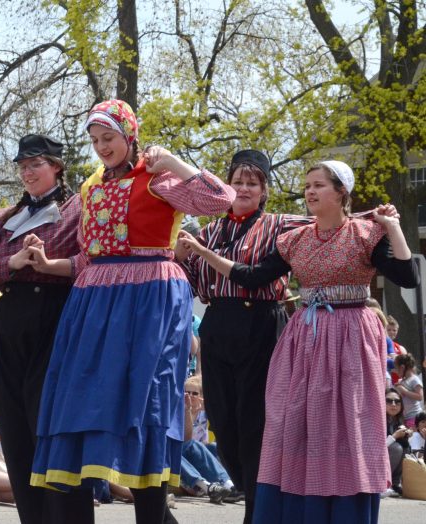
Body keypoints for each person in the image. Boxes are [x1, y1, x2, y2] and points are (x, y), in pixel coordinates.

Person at [30, 99, 235, 524]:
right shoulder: (91, 187)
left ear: (129, 135)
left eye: (109, 138)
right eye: (95, 140)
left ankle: (154, 512)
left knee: (146, 400)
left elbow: (220, 200)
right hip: (95, 298)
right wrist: (53, 266)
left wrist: (176, 163)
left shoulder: (158, 179)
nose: (102, 147)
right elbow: (91, 255)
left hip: (150, 297)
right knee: (92, 399)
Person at [180, 160, 418, 523]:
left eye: (319, 185)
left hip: (350, 334)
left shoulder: (364, 234)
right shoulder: (295, 240)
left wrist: (393, 227)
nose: (309, 191)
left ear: (342, 193)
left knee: (346, 423)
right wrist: (202, 251)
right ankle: (290, 506)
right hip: (305, 336)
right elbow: (252, 275)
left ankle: (342, 506)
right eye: (307, 185)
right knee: (297, 423)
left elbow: (408, 275)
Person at [174, 149, 310, 522]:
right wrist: (182, 257)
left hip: (261, 323)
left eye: (253, 182)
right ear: (227, 186)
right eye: (238, 181)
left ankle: (258, 510)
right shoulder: (210, 230)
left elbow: (328, 223)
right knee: (222, 419)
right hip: (218, 323)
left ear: (264, 190)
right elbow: (197, 286)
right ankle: (252, 492)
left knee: (255, 422)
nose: (245, 188)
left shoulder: (282, 224)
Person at [0, 133, 92, 523]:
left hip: (56, 319)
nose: (28, 173)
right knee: (17, 433)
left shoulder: (80, 209)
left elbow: (94, 260)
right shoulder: (6, 218)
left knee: (50, 429)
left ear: (56, 166)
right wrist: (15, 262)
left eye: (36, 164)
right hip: (9, 322)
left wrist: (48, 262)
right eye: (22, 167)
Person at [181, 376, 235, 504]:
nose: (190, 396)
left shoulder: (203, 411)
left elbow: (219, 431)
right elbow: (187, 440)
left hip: (196, 452)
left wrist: (211, 410)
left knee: (214, 446)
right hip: (182, 453)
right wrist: (190, 412)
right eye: (187, 393)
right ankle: (208, 486)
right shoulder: (181, 409)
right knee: (185, 447)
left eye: (195, 393)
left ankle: (229, 485)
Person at [385, 387, 412, 497]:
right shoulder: (378, 419)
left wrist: (407, 434)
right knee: (396, 448)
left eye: (397, 401)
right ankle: (384, 483)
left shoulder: (398, 420)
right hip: (372, 459)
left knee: (405, 447)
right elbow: (378, 447)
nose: (393, 404)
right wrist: (395, 436)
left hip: (387, 456)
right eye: (389, 401)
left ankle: (395, 483)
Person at [396, 354, 424, 428]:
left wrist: (404, 390)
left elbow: (420, 396)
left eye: (397, 368)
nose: (396, 371)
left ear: (402, 367)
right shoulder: (402, 381)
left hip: (414, 416)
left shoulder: (414, 379)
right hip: (405, 418)